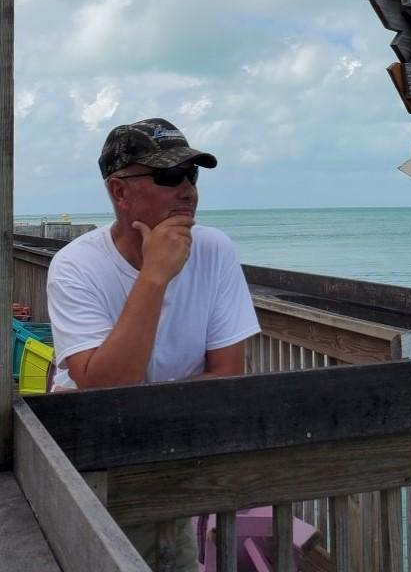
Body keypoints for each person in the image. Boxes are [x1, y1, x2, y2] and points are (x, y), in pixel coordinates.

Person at [47, 117, 260, 569]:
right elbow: (107, 388)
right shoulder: (75, 267)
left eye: (192, 174)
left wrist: (121, 400)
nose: (187, 190)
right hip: (88, 464)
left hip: (166, 462)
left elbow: (227, 375)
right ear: (119, 192)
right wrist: (154, 276)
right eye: (167, 176)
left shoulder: (214, 249)